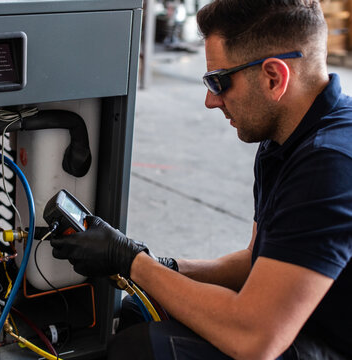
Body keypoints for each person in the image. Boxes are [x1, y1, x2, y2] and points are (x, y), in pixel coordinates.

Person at [50, 1, 352, 359]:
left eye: (219, 81)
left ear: (274, 77)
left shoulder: (329, 163)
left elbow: (256, 340)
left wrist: (132, 261)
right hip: (300, 321)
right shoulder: (285, 137)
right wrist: (164, 268)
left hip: (328, 344)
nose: (211, 100)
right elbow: (255, 261)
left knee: (140, 350)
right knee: (138, 309)